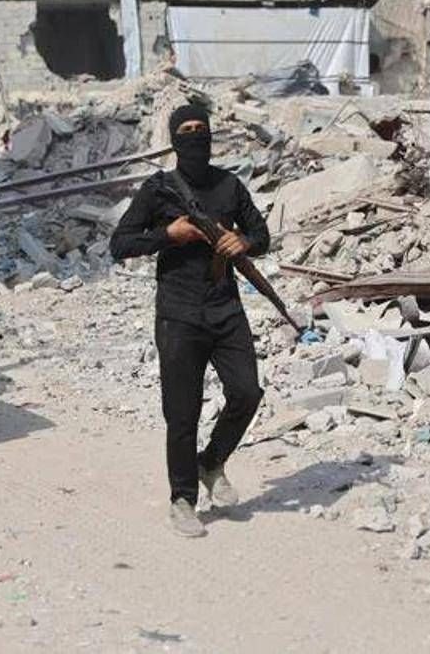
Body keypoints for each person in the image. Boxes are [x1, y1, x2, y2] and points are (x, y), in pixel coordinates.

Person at [110, 104, 271, 539]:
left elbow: (262, 235)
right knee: (182, 412)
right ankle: (182, 499)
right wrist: (168, 235)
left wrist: (243, 241)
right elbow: (120, 243)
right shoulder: (158, 189)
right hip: (178, 313)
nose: (196, 135)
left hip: (225, 308)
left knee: (247, 391)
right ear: (175, 139)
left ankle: (211, 462)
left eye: (202, 128)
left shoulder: (229, 185)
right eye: (187, 129)